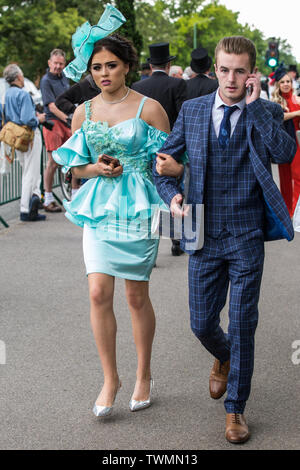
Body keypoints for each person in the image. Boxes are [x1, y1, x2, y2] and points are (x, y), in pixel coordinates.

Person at [153, 36, 295, 444]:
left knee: (244, 323)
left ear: (250, 73)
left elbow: (285, 153)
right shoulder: (193, 110)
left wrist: (256, 108)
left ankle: (236, 409)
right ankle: (225, 355)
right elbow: (159, 165)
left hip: (247, 233)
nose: (231, 79)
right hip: (201, 231)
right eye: (224, 69)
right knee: (201, 323)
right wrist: (172, 194)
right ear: (214, 69)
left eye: (239, 71)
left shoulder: (264, 110)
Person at [52, 5, 184, 418]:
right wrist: (98, 168)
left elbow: (171, 162)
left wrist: (170, 174)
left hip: (137, 207)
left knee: (135, 294)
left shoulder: (149, 108)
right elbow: (75, 167)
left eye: (111, 65)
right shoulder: (83, 112)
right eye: (96, 67)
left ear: (128, 66)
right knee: (97, 291)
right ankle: (111, 378)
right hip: (99, 207)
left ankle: (143, 373)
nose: (103, 73)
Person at [132, 42, 187, 256]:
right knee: (173, 192)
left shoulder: (138, 87)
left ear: (151, 64)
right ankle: (174, 239)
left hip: (144, 147)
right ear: (169, 63)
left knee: (148, 193)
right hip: (171, 146)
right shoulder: (177, 85)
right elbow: (184, 116)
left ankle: (149, 246)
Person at [0, 64, 46, 221]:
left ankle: (31, 204)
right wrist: (38, 118)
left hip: (15, 137)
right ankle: (26, 209)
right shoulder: (23, 94)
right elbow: (28, 119)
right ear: (19, 77)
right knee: (31, 172)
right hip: (29, 135)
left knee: (26, 170)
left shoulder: (7, 94)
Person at [40, 48, 77, 210]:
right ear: (50, 63)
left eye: (61, 64)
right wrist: (68, 118)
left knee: (75, 158)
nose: (58, 66)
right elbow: (52, 106)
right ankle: (48, 199)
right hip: (53, 122)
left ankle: (75, 196)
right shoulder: (46, 80)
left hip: (66, 121)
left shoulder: (64, 78)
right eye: (55, 63)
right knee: (53, 162)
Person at [271, 64, 300, 216]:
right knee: (285, 179)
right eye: (282, 82)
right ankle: (288, 211)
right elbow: (279, 117)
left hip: (298, 143)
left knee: (298, 177)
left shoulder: (297, 99)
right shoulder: (276, 101)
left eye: (288, 81)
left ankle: (296, 211)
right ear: (278, 85)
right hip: (282, 144)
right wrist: (296, 113)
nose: (286, 84)